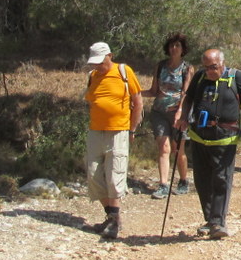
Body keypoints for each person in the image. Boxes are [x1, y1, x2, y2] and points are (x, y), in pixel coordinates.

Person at [176, 49, 241, 239]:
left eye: (213, 67)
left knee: (222, 178)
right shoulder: (199, 77)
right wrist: (183, 117)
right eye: (206, 67)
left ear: (222, 63)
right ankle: (210, 219)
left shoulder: (236, 77)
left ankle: (217, 222)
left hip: (225, 137)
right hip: (199, 136)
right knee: (201, 180)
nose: (209, 71)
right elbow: (188, 98)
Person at [83, 42, 143, 239]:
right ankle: (111, 216)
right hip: (95, 131)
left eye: (100, 62)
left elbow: (138, 101)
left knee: (114, 175)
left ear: (110, 55)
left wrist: (132, 129)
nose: (97, 66)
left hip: (118, 131)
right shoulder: (92, 76)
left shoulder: (124, 71)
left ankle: (114, 221)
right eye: (94, 63)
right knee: (94, 176)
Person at [144, 33, 195, 199]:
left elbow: (186, 93)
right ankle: (163, 184)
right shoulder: (160, 66)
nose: (174, 49)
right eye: (172, 46)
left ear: (183, 49)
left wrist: (181, 112)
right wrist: (135, 94)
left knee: (177, 149)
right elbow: (153, 90)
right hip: (159, 112)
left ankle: (183, 180)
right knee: (163, 148)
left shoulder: (187, 68)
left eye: (177, 46)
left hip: (177, 115)